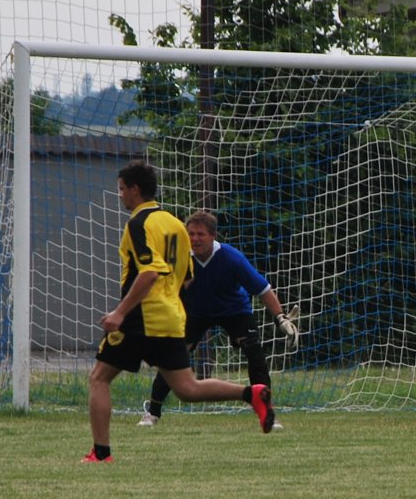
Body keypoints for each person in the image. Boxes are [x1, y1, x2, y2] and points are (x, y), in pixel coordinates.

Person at [84, 162, 274, 461]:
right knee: (187, 388)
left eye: (121, 189)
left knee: (99, 378)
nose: (120, 195)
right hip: (171, 318)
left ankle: (100, 453)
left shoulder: (138, 224)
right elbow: (187, 278)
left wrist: (120, 313)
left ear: (135, 189)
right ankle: (251, 393)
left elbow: (150, 272)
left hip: (141, 316)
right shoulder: (175, 224)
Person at [139, 207, 299, 430]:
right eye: (191, 233)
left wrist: (280, 318)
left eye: (201, 234)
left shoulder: (231, 258)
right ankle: (152, 412)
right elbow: (164, 289)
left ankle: (267, 411)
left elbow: (263, 289)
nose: (195, 239)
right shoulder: (181, 258)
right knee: (173, 357)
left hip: (234, 310)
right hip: (195, 312)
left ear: (213, 235)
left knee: (255, 353)